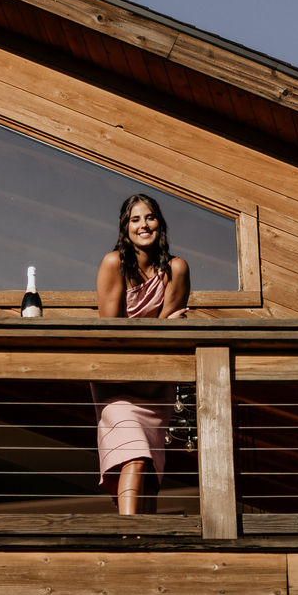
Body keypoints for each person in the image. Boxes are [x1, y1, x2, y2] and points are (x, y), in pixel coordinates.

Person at [94, 193, 191, 515]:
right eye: (135, 219)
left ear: (159, 224)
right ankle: (127, 536)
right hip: (118, 379)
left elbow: (169, 334)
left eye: (149, 217)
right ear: (125, 228)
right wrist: (162, 325)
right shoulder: (114, 263)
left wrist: (164, 326)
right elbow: (112, 331)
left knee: (148, 467)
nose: (143, 225)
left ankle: (144, 541)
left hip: (155, 382)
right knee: (133, 456)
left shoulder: (176, 268)